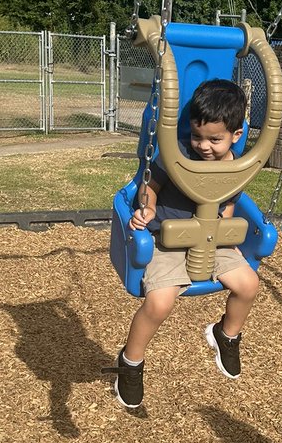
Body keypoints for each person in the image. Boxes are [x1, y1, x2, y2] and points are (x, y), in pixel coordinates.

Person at [111, 78, 260, 410]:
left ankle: (226, 335)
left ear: (236, 136)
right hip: (168, 241)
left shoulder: (235, 167)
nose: (203, 146)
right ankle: (131, 363)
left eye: (214, 139)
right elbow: (150, 187)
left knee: (249, 284)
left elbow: (230, 204)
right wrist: (145, 208)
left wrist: (226, 234)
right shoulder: (176, 152)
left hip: (211, 240)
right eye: (197, 136)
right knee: (160, 304)